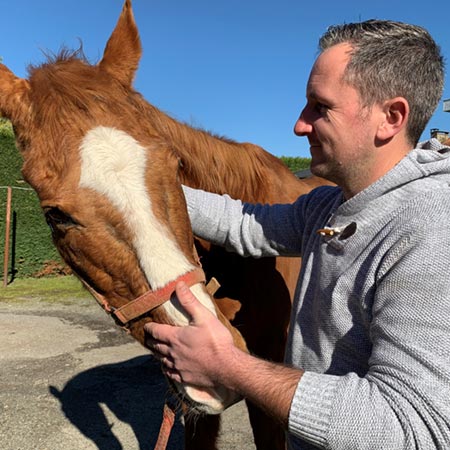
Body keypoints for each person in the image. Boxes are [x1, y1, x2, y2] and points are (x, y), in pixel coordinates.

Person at [145, 19, 450, 449]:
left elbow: (411, 427)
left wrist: (228, 366)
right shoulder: (329, 205)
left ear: (391, 117)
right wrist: (146, 190)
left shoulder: (432, 227)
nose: (299, 125)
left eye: (319, 107)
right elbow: (244, 223)